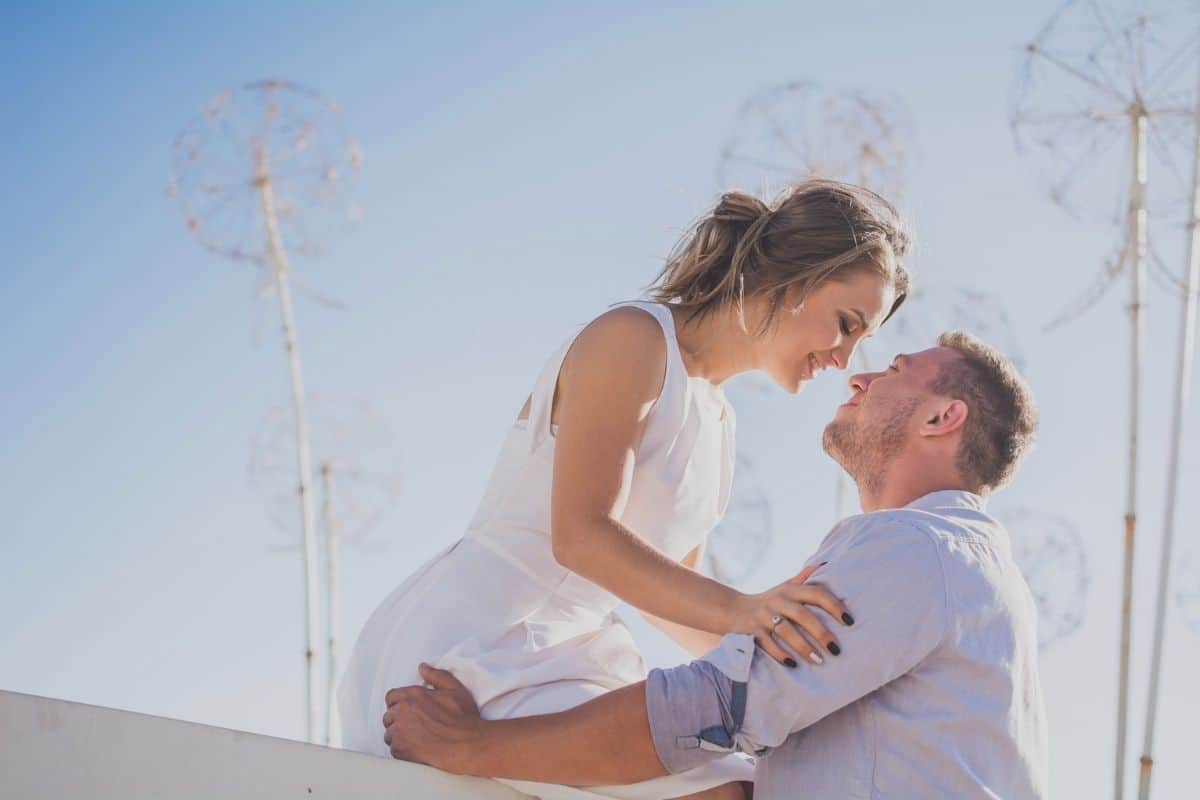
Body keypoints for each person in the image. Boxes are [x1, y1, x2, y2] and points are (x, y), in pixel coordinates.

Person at [339, 180, 911, 799]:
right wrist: (749, 608)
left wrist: (790, 667)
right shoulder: (635, 338)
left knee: (761, 783)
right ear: (793, 278)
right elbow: (581, 536)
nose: (846, 359)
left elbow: (667, 599)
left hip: (573, 655)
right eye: (846, 324)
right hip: (476, 642)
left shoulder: (719, 420)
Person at [381, 332, 1048, 800]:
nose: (859, 375)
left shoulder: (914, 547)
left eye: (894, 368)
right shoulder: (964, 564)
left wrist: (473, 749)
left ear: (941, 416)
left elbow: (714, 706)